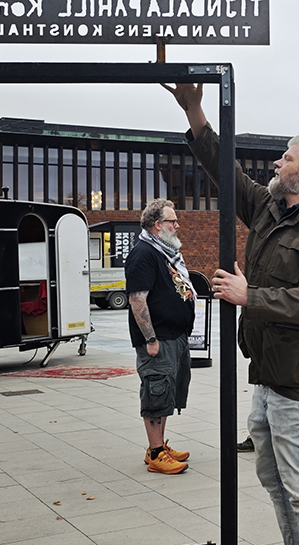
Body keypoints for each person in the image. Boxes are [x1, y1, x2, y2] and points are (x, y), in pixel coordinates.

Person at [165, 82, 299, 545]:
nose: (275, 163)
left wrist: (253, 297)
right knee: (272, 476)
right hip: (266, 372)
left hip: (298, 377)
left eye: (285, 158)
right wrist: (196, 112)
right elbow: (225, 173)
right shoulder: (270, 209)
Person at [125, 198, 197, 476]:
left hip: (174, 336)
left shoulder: (163, 252)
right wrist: (151, 339)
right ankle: (155, 453)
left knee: (167, 391)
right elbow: (137, 300)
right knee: (156, 390)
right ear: (157, 225)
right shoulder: (144, 253)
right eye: (172, 221)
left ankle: (160, 447)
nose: (177, 226)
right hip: (159, 339)